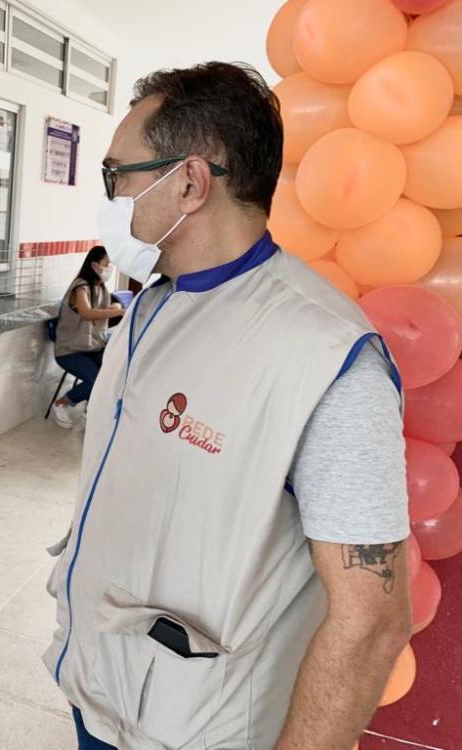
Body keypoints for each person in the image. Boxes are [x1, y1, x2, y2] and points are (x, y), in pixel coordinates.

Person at [44, 63, 411, 750]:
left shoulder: (326, 357)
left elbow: (372, 623)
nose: (111, 197)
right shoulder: (150, 307)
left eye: (117, 175)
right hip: (97, 685)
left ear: (188, 182)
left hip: (194, 727)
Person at [51, 246, 124, 428]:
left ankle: (90, 409)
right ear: (94, 265)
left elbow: (110, 306)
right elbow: (87, 313)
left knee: (112, 370)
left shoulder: (100, 287)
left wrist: (115, 307)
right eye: (106, 264)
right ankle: (62, 403)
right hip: (70, 350)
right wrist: (117, 311)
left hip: (92, 346)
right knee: (96, 379)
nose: (109, 268)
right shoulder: (80, 287)